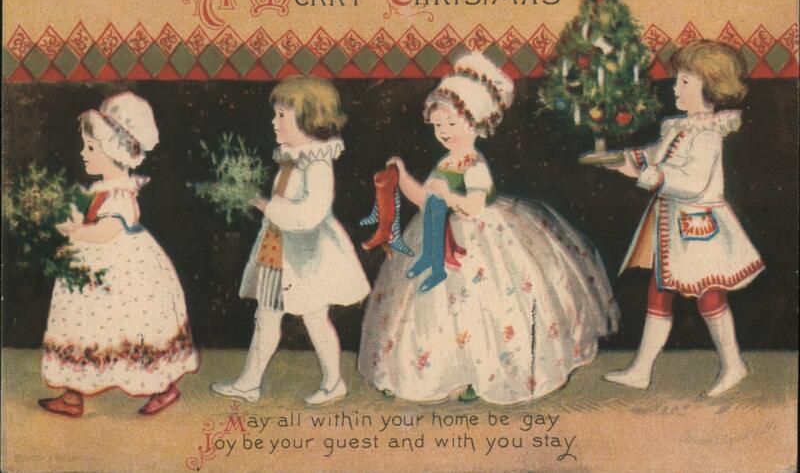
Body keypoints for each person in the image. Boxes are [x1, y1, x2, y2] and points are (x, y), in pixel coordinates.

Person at [358, 53, 619, 404]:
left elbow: (475, 206)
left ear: (475, 122)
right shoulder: (445, 161)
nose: (445, 133)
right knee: (432, 308)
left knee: (485, 306)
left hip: (480, 237)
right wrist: (403, 176)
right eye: (438, 126)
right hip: (437, 233)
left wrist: (448, 195)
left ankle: (476, 376)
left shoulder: (475, 164)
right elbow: (423, 199)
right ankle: (430, 374)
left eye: (451, 124)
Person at [603, 40, 764, 397]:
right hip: (671, 227)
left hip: (698, 229)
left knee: (708, 294)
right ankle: (642, 368)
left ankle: (733, 363)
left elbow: (691, 184)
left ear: (710, 86)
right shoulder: (679, 127)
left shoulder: (707, 136)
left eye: (685, 82)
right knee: (660, 291)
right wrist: (629, 159)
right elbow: (657, 155)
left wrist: (648, 177)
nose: (675, 87)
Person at [211, 76, 370, 406]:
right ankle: (250, 382)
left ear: (309, 118)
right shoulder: (291, 157)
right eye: (276, 114)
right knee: (266, 315)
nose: (274, 121)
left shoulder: (317, 163)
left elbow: (312, 213)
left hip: (307, 258)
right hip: (277, 251)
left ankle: (333, 381)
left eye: (282, 114)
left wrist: (268, 206)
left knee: (313, 317)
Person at [40, 91, 199, 417]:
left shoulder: (121, 195)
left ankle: (163, 388)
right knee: (80, 326)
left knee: (130, 328)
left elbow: (108, 232)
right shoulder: (102, 191)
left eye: (90, 148)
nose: (83, 154)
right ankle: (73, 394)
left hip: (121, 275)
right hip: (93, 270)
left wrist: (76, 232)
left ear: (113, 151)